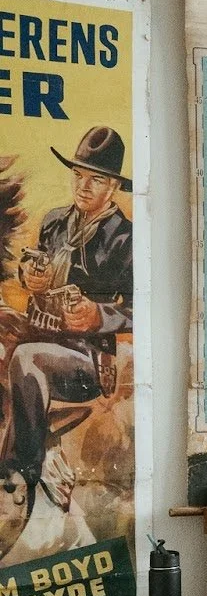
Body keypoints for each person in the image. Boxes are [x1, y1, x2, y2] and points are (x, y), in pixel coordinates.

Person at [0, 126, 133, 491]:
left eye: (96, 179)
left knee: (27, 358)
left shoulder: (125, 238)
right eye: (78, 175)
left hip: (87, 360)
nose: (83, 187)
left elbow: (143, 312)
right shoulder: (54, 221)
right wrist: (30, 277)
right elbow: (34, 265)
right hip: (39, 329)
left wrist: (98, 316)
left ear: (114, 186)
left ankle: (21, 471)